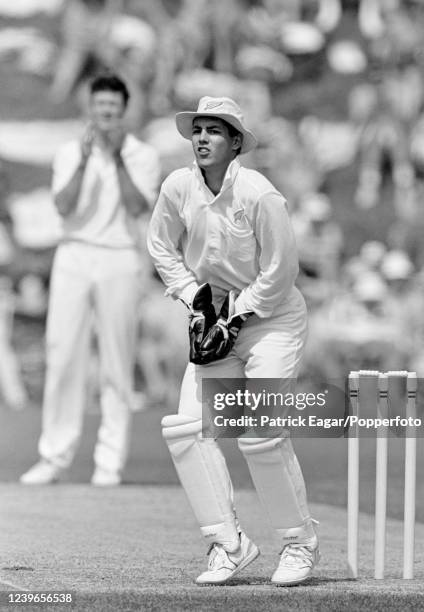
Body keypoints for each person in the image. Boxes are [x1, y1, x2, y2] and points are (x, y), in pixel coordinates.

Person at [147, 96, 319, 586]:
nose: (202, 138)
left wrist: (237, 315)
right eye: (197, 129)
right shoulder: (179, 186)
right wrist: (192, 296)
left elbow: (281, 271)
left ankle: (298, 544)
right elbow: (159, 244)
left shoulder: (260, 195)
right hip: (217, 314)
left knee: (260, 433)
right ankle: (229, 544)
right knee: (184, 428)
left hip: (272, 319)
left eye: (215, 131)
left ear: (236, 142)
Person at [20, 73, 160, 486]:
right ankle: (54, 455)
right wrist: (84, 159)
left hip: (118, 256)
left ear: (123, 110)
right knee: (62, 354)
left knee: (117, 359)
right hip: (74, 252)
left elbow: (138, 207)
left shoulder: (141, 154)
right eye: (100, 107)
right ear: (90, 107)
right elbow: (63, 206)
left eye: (113, 109)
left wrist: (116, 159)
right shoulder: (68, 152)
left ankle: (109, 462)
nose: (105, 114)